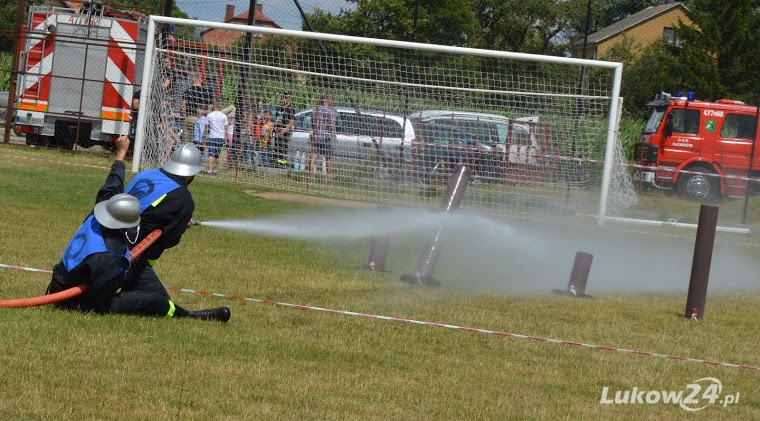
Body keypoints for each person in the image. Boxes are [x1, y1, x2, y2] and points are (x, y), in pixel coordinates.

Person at [119, 142, 231, 322]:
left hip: (108, 242)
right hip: (129, 257)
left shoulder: (146, 174)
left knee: (137, 289)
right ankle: (188, 316)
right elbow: (169, 239)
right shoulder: (183, 199)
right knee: (160, 302)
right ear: (191, 172)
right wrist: (178, 226)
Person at [45, 135, 140, 314]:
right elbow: (98, 301)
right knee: (150, 299)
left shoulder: (99, 211)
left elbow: (113, 184)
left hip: (60, 282)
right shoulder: (111, 254)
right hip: (72, 299)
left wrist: (121, 155)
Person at [180, 72, 212, 143]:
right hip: (201, 120)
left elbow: (182, 106)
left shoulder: (188, 91)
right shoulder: (208, 93)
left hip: (190, 118)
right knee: (198, 143)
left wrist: (182, 116)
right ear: (200, 81)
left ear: (192, 80)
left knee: (185, 143)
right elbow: (209, 111)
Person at [310, 94, 336, 174]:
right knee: (328, 157)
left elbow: (312, 122)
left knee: (314, 156)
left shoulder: (315, 110)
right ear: (329, 100)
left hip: (316, 136)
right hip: (325, 137)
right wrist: (331, 131)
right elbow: (330, 125)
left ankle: (309, 175)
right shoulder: (329, 111)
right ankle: (329, 177)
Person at [204, 103, 229, 176]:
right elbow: (226, 128)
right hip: (221, 137)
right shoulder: (223, 115)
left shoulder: (209, 115)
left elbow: (206, 128)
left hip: (212, 136)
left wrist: (205, 137)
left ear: (213, 107)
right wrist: (226, 139)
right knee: (217, 155)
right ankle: (215, 170)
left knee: (210, 154)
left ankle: (210, 170)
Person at [273, 90, 295, 167]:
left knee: (283, 149)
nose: (284, 98)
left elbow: (291, 123)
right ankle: (276, 164)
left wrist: (282, 132)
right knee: (276, 148)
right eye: (283, 97)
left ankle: (282, 165)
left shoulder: (291, 109)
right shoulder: (279, 108)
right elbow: (276, 120)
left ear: (289, 98)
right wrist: (274, 130)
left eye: (286, 97)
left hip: (284, 133)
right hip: (277, 132)